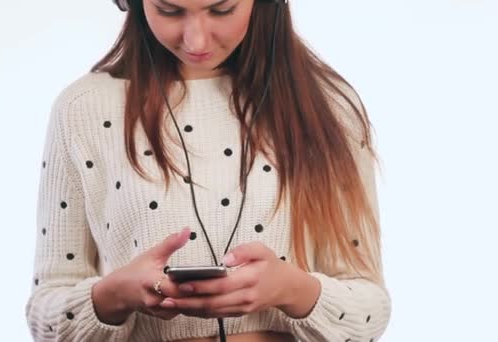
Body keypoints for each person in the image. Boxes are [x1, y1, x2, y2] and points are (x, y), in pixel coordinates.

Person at [25, 0, 392, 341]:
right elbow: (46, 311)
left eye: (221, 9)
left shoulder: (326, 106)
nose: (196, 39)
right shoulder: (83, 109)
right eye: (169, 11)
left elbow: (370, 310)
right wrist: (113, 295)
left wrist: (291, 290)